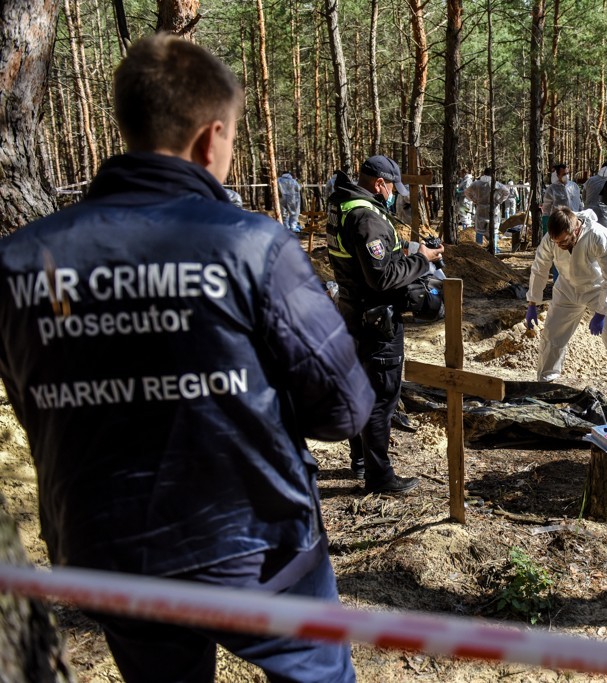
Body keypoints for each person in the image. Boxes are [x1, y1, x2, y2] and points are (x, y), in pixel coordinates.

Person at [0, 34, 372, 682]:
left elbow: (35, 401)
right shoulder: (254, 246)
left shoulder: (20, 261)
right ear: (211, 138)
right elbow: (346, 405)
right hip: (257, 549)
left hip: (108, 554)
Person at [326, 155, 445, 495]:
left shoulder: (344, 206)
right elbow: (382, 276)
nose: (395, 193)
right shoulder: (365, 217)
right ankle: (379, 477)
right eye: (393, 187)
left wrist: (411, 249)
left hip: (351, 313)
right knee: (381, 398)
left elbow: (373, 255)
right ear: (380, 184)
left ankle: (361, 462)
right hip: (376, 321)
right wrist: (422, 261)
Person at [525, 207, 607, 418]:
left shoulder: (597, 236)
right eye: (557, 242)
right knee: (552, 335)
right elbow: (540, 268)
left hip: (599, 288)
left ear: (576, 229)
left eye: (564, 241)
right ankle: (544, 387)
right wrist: (532, 302)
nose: (560, 246)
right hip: (566, 288)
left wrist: (602, 312)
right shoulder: (551, 239)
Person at [464, 168, 511, 250]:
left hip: (481, 208)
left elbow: (467, 192)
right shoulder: (495, 184)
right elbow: (506, 191)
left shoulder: (477, 183)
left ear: (483, 173)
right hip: (493, 209)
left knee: (479, 230)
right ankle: (494, 248)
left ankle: (478, 249)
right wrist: (499, 200)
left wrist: (474, 200)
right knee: (494, 230)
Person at [541, 163, 582, 234]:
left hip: (575, 220)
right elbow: (547, 207)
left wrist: (581, 215)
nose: (566, 176)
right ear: (558, 175)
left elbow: (579, 202)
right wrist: (546, 222)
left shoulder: (574, 186)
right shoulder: (552, 189)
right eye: (563, 174)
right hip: (560, 222)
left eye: (567, 173)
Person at [583, 162, 607, 227]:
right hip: (603, 214)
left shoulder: (590, 180)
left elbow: (584, 196)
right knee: (602, 235)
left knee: (588, 233)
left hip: (589, 212)